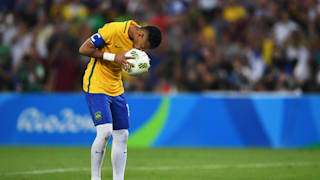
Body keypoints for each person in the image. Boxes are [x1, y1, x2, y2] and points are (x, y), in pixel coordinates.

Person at [78, 20, 162, 180]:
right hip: (96, 83)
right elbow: (84, 49)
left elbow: (126, 62)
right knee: (105, 132)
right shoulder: (113, 30)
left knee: (122, 134)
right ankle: (95, 178)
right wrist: (112, 56)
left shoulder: (137, 39)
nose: (141, 49)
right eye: (143, 46)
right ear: (140, 33)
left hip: (116, 87)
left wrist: (139, 65)